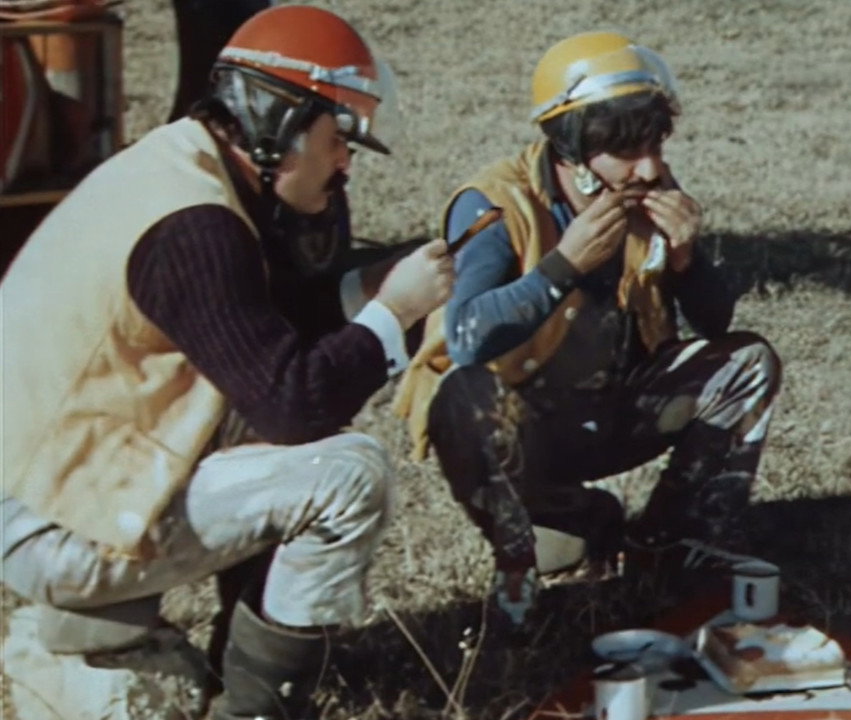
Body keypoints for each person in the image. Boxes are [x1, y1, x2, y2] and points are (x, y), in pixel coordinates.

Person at [0, 6, 454, 719]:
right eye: (339, 140)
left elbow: (251, 335)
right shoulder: (197, 227)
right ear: (277, 124)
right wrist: (391, 315)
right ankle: (257, 707)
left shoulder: (181, 167)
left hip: (52, 485)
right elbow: (292, 403)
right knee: (344, 475)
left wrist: (358, 292)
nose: (343, 165)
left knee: (278, 438)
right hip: (53, 529)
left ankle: (205, 651)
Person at [392, 31, 781, 625]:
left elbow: (716, 325)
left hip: (615, 407)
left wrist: (687, 260)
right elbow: (467, 338)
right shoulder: (496, 203)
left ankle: (676, 538)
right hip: (521, 430)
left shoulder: (649, 193)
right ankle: (520, 567)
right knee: (462, 396)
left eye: (655, 143)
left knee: (749, 361)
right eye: (628, 149)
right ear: (572, 148)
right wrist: (562, 267)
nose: (649, 167)